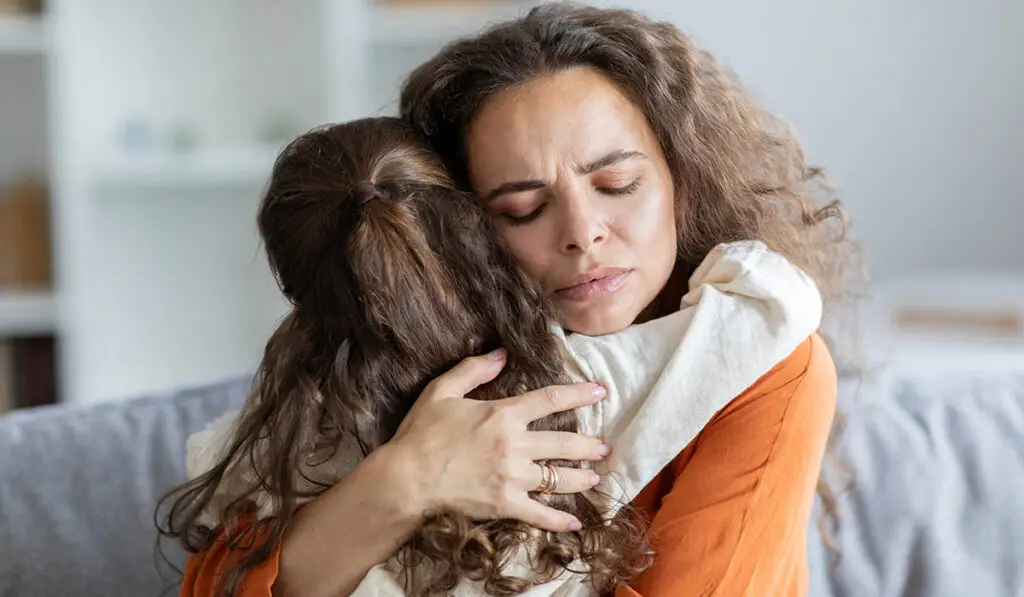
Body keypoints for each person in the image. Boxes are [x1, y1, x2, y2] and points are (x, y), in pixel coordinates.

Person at [173, 2, 855, 596]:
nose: (583, 234)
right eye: (524, 208)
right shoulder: (411, 364)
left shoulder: (760, 357)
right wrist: (405, 480)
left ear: (683, 178)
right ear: (462, 228)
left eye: (616, 183)